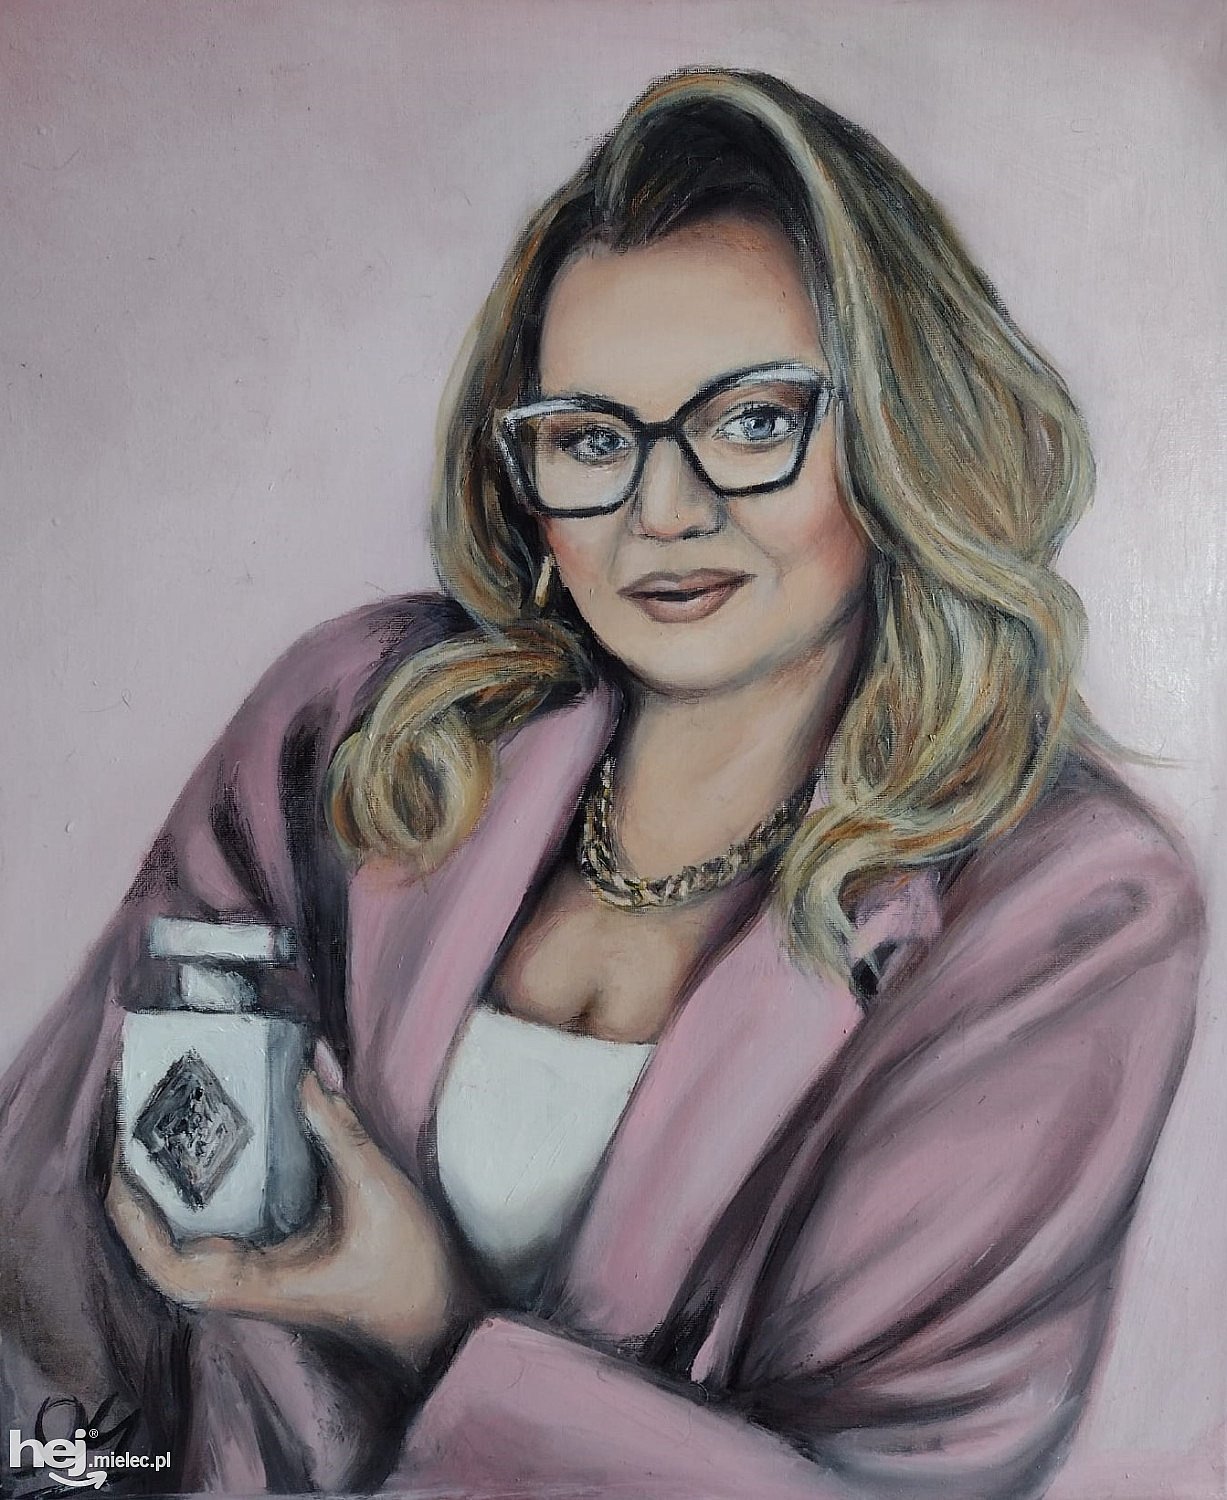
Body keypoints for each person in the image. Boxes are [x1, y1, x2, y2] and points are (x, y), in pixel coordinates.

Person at [0, 66, 1205, 1500]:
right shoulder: (360, 728)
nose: (663, 510)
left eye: (751, 422)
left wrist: (434, 1329)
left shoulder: (1068, 906)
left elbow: (886, 1484)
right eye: (589, 439)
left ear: (902, 431)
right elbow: (43, 1286)